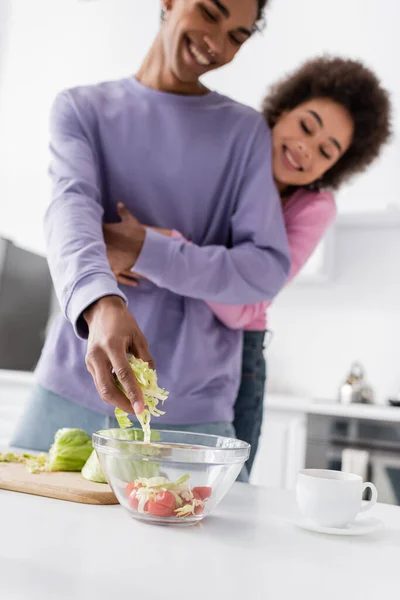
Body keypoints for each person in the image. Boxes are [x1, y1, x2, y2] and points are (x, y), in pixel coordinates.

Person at [11, 0, 290, 470]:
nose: (216, 43)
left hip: (192, 414)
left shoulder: (244, 132)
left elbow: (264, 270)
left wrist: (146, 250)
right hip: (70, 389)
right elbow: (70, 211)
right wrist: (103, 303)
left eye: (238, 36)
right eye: (209, 12)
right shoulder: (81, 109)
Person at [106, 56, 391, 475]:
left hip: (240, 358)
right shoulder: (224, 154)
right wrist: (149, 253)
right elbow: (132, 230)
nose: (306, 149)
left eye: (327, 151)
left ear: (337, 165)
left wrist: (162, 249)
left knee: (227, 483)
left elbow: (244, 308)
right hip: (165, 332)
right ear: (280, 111)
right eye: (306, 126)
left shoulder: (314, 207)